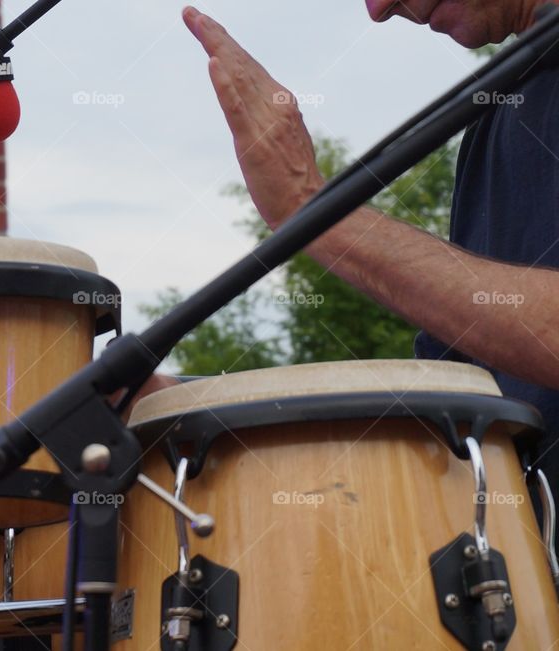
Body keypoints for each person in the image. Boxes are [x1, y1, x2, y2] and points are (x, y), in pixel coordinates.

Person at [152, 0, 559, 503]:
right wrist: (191, 405)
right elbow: (451, 399)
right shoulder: (498, 112)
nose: (378, 9)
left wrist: (313, 213)